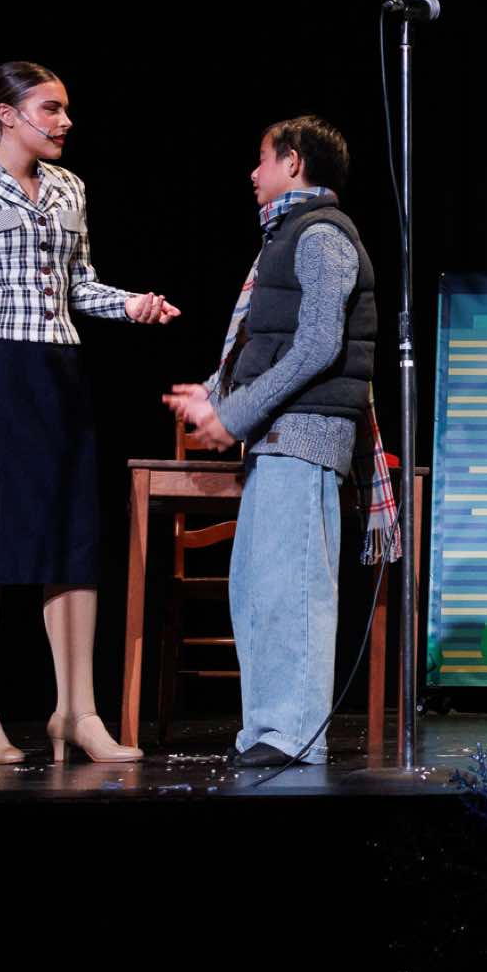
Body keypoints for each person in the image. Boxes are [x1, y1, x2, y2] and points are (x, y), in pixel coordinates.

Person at [0, 60, 181, 765]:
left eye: (65, 109)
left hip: (58, 371)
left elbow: (77, 285)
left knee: (71, 537)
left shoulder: (69, 187)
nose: (65, 121)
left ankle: (77, 713)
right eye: (51, 108)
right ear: (7, 114)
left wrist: (129, 304)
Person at [166, 116, 395, 769]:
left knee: (293, 589)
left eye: (262, 159)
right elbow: (268, 341)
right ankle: (270, 729)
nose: (253, 172)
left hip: (304, 434)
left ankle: (294, 733)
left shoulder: (321, 236)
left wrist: (234, 414)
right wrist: (218, 396)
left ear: (293, 162)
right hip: (278, 437)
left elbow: (319, 345)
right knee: (257, 590)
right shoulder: (290, 237)